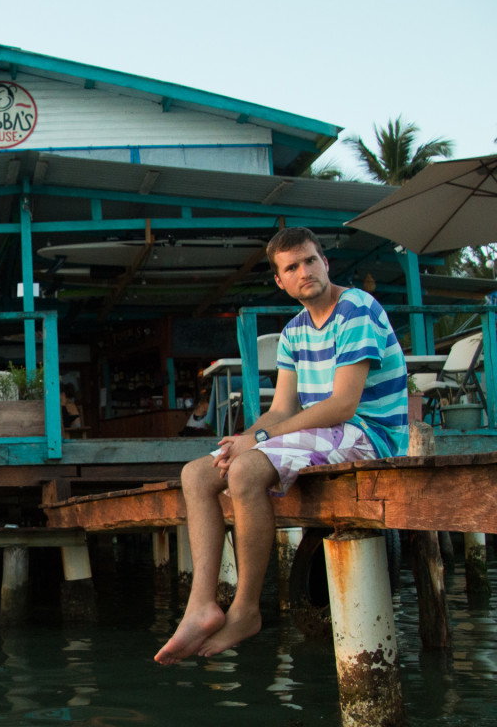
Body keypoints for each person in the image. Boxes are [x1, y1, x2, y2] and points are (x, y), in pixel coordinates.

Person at [154, 226, 408, 665]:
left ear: (325, 263)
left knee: (246, 471)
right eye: (292, 267)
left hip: (370, 435)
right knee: (196, 474)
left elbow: (344, 405)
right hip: (323, 434)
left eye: (311, 260)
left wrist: (262, 443)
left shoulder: (357, 309)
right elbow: (281, 410)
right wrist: (248, 436)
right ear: (280, 281)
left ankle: (246, 609)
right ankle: (201, 605)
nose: (304, 271)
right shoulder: (293, 331)